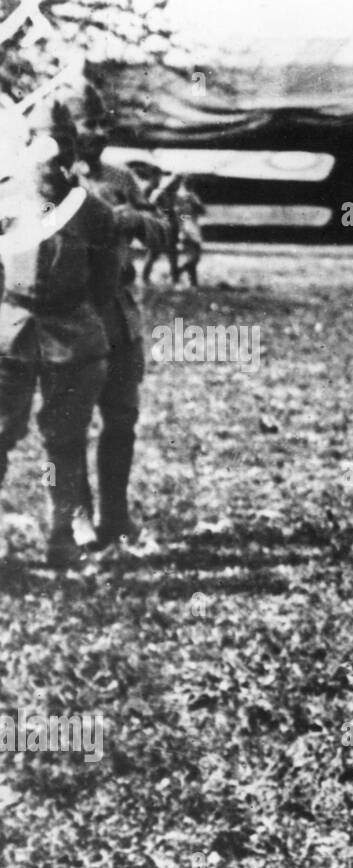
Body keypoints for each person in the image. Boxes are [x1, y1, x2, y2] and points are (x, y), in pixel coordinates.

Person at [0, 100, 118, 567]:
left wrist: (81, 327)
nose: (51, 157)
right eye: (41, 145)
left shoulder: (94, 213)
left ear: (73, 153)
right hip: (10, 334)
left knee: (64, 440)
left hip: (72, 338)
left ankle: (60, 535)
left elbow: (105, 285)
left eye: (61, 147)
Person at [73, 85, 170, 547]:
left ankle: (115, 514)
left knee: (121, 418)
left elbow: (162, 232)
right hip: (67, 320)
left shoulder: (121, 177)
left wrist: (134, 219)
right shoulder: (43, 181)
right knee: (68, 422)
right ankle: (77, 516)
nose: (99, 133)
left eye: (102, 122)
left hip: (116, 316)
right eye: (87, 123)